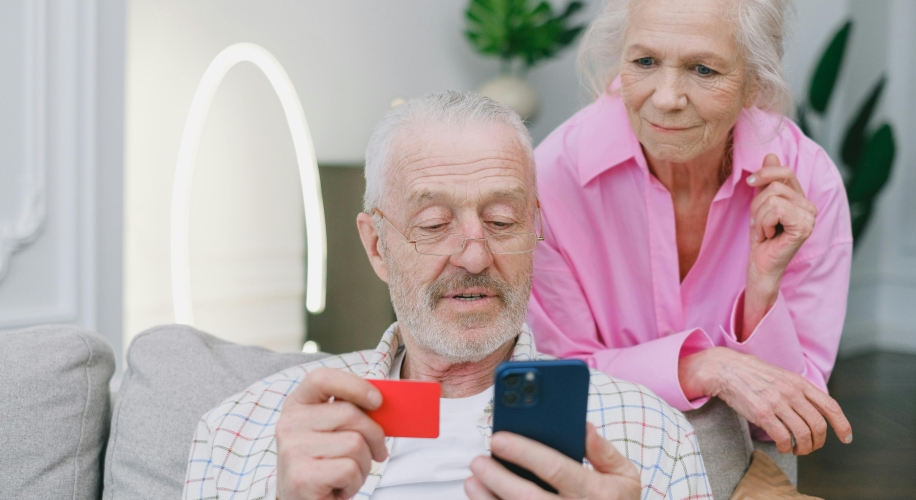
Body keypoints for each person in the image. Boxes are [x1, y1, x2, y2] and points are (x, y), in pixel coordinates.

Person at [183, 91, 710, 500]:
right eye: (434, 224)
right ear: (377, 246)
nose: (475, 257)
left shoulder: (648, 434)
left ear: (536, 231)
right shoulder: (242, 428)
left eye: (502, 221)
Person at [527, 0, 853, 460]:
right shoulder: (551, 180)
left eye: (703, 69)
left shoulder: (809, 181)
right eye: (644, 62)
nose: (666, 97)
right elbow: (558, 383)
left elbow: (788, 421)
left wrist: (762, 290)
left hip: (748, 458)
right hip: (598, 457)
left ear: (754, 84)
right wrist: (705, 367)